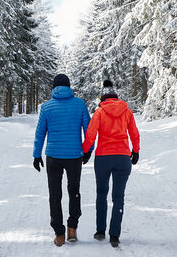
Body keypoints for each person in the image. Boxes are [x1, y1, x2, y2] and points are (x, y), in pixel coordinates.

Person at [33, 73, 92, 246]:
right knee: (74, 191)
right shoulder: (80, 104)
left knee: (55, 194)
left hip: (53, 157)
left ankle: (59, 233)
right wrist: (87, 150)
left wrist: (36, 155)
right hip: (74, 156)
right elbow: (88, 130)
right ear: (69, 86)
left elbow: (40, 133)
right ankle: (72, 228)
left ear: (54, 88)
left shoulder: (46, 107)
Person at [82, 79, 140, 248]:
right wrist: (135, 150)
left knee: (101, 193)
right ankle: (114, 235)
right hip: (122, 157)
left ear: (103, 99)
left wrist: (86, 151)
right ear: (116, 97)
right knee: (118, 196)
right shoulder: (127, 111)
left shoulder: (99, 112)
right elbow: (134, 133)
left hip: (103, 158)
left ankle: (100, 230)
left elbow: (91, 135)